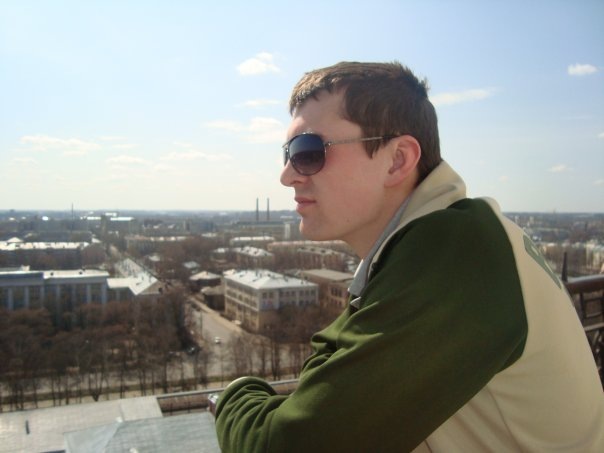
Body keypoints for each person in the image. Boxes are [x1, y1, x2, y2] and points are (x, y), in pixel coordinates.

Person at [213, 61, 604, 452]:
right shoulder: (449, 240)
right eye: (288, 153)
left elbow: (282, 446)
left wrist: (236, 394)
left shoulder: (455, 253)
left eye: (308, 151)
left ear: (398, 159)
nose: (287, 175)